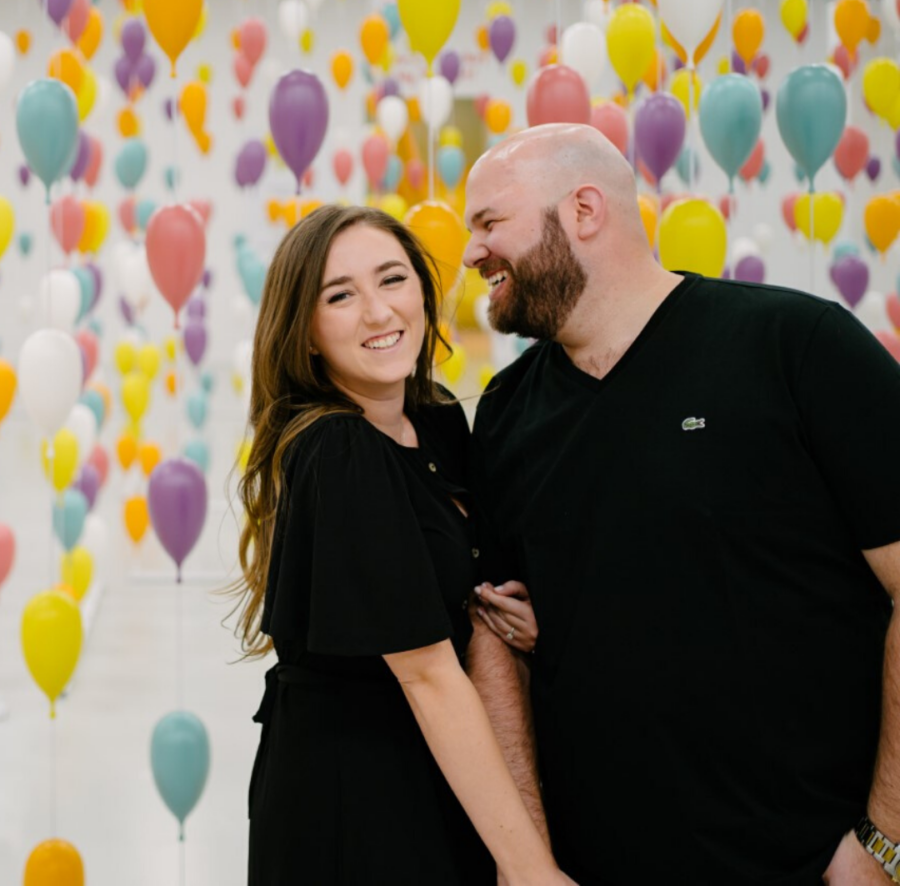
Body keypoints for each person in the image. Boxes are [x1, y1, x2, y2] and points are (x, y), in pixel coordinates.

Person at [463, 123, 900, 886]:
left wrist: (883, 841)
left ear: (585, 210)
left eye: (489, 223)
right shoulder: (504, 413)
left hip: (811, 862)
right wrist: (529, 857)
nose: (471, 253)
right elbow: (497, 639)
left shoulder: (795, 347)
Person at [231, 204, 575, 885]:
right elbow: (427, 673)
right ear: (304, 331)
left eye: (392, 280)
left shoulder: (438, 419)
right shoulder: (336, 449)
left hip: (442, 771)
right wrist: (531, 867)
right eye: (340, 296)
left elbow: (473, 582)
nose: (378, 313)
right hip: (352, 794)